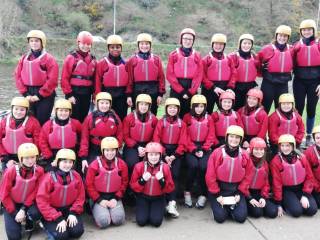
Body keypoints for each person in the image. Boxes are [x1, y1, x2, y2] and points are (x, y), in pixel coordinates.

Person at [206, 125, 253, 223]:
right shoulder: (217, 153)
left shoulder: (244, 155)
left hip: (236, 190)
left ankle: (231, 209)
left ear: (240, 140)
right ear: (227, 137)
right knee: (220, 218)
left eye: (237, 137)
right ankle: (221, 208)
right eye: (231, 136)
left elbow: (248, 175)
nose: (234, 140)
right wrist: (217, 194)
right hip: (219, 190)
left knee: (241, 218)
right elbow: (210, 176)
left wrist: (240, 192)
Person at [37, 149, 85, 239]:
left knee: (77, 232)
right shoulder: (48, 177)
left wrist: (73, 212)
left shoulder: (76, 176)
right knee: (62, 237)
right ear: (58, 162)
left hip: (69, 209)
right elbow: (42, 201)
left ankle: (66, 222)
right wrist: (57, 218)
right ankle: (44, 222)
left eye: (70, 162)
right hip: (53, 211)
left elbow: (80, 196)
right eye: (64, 161)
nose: (67, 165)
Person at [0, 143, 44, 240]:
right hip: (12, 204)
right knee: (14, 237)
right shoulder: (10, 171)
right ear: (20, 158)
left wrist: (23, 209)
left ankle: (29, 219)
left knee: (36, 213)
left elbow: (36, 192)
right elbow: (4, 195)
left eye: (33, 157)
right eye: (26, 158)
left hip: (28, 203)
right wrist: (15, 213)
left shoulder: (39, 171)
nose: (30, 161)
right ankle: (19, 219)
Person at [14, 30, 58, 125]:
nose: (34, 43)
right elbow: (17, 76)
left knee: (42, 121)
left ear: (42, 42)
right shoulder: (24, 58)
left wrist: (39, 96)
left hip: (45, 95)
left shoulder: (49, 59)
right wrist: (26, 94)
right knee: (29, 121)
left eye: (37, 41)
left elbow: (52, 80)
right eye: (32, 41)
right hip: (28, 93)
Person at [153, 98, 187, 218]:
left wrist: (174, 156)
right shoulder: (161, 122)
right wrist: (165, 155)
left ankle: (172, 202)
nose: (172, 110)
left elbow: (183, 142)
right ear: (166, 109)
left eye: (175, 108)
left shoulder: (181, 124)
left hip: (176, 153)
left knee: (175, 175)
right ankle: (162, 200)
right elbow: (157, 139)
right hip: (162, 152)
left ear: (178, 110)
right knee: (161, 174)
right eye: (170, 107)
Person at [270, 134, 317, 218]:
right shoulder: (276, 161)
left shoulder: (302, 158)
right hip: (287, 190)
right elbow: (276, 183)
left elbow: (309, 177)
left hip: (301, 188)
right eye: (282, 146)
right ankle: (287, 202)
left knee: (312, 210)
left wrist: (305, 195)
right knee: (297, 212)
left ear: (293, 146)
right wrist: (279, 203)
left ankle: (297, 201)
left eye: (288, 145)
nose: (285, 148)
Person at [86, 137, 128, 229]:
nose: (110, 153)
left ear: (116, 150)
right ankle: (94, 207)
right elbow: (89, 185)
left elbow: (124, 183)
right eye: (107, 150)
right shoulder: (94, 165)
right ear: (102, 150)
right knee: (104, 222)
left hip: (114, 197)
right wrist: (99, 200)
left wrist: (116, 198)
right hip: (99, 197)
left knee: (118, 219)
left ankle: (111, 210)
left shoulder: (122, 164)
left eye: (113, 150)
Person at [183, 94, 217, 209]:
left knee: (203, 167)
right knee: (193, 165)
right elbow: (185, 136)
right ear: (192, 106)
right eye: (196, 106)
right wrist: (193, 149)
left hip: (204, 147)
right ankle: (187, 191)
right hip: (190, 147)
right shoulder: (187, 117)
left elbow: (211, 135)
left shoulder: (209, 118)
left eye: (201, 106)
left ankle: (203, 193)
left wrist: (204, 149)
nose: (199, 109)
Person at [130, 142, 174, 227]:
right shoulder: (139, 166)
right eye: (151, 155)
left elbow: (170, 188)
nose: (154, 157)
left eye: (156, 155)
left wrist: (162, 181)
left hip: (158, 197)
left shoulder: (165, 167)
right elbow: (132, 185)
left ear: (160, 155)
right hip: (143, 197)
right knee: (141, 222)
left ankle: (161, 207)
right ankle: (146, 209)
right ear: (146, 155)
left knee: (156, 222)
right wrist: (142, 180)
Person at [79, 92, 123, 173]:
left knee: (119, 169)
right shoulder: (90, 118)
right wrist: (84, 157)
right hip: (95, 148)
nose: (104, 105)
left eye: (107, 103)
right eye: (102, 103)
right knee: (89, 169)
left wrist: (116, 149)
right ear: (97, 104)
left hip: (110, 149)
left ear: (110, 104)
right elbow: (84, 138)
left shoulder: (115, 118)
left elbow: (120, 135)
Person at [292, 19, 320, 146]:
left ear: (313, 31)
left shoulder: (318, 45)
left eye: (309, 29)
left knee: (311, 108)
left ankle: (309, 134)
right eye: (304, 30)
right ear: (301, 32)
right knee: (299, 107)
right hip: (299, 81)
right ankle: (297, 133)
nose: (307, 32)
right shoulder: (296, 45)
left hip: (315, 82)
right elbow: (288, 61)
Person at [166, 28, 203, 117]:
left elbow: (199, 75)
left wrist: (191, 91)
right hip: (176, 88)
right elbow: (170, 75)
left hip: (191, 87)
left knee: (190, 114)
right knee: (175, 113)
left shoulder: (197, 55)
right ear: (181, 40)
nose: (187, 41)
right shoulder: (173, 54)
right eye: (185, 39)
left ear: (193, 41)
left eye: (190, 39)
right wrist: (181, 91)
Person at [61, 31, 96, 123]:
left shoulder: (93, 59)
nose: (86, 46)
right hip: (74, 92)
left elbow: (95, 79)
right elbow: (64, 78)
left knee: (84, 117)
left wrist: (94, 95)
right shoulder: (71, 58)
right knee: (73, 117)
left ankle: (82, 136)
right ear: (78, 43)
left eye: (88, 44)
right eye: (83, 43)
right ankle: (73, 136)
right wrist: (69, 95)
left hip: (87, 93)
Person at [126, 33, 165, 115]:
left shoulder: (156, 59)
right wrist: (129, 95)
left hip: (153, 90)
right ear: (138, 45)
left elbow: (161, 77)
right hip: (137, 90)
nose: (144, 46)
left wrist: (160, 94)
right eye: (142, 44)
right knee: (137, 115)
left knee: (152, 114)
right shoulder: (132, 60)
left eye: (147, 44)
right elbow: (129, 79)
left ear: (150, 45)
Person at [39, 99, 82, 172]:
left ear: (70, 112)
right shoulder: (48, 125)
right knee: (51, 172)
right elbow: (42, 142)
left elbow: (82, 137)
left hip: (70, 153)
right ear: (56, 111)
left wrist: (78, 152)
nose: (63, 113)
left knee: (73, 172)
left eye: (66, 111)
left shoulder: (76, 124)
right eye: (61, 111)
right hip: (53, 154)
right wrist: (49, 156)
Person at [258, 25, 293, 113]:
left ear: (288, 37)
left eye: (285, 36)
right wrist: (261, 73)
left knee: (282, 109)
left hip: (283, 84)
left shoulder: (292, 49)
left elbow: (295, 62)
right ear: (276, 36)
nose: (282, 38)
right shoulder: (267, 49)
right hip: (268, 83)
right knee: (264, 109)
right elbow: (257, 62)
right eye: (280, 35)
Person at [0, 97, 41, 171]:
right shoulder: (3, 122)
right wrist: (6, 159)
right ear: (12, 109)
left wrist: (29, 159)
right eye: (16, 109)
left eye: (22, 110)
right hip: (7, 156)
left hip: (27, 156)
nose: (18, 112)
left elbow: (38, 142)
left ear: (27, 110)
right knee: (8, 175)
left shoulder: (34, 122)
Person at [95, 35, 129, 120]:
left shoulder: (126, 64)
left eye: (118, 47)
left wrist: (129, 96)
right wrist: (97, 96)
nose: (115, 49)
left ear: (121, 48)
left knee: (121, 118)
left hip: (122, 96)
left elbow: (129, 81)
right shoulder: (102, 63)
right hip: (107, 94)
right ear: (108, 48)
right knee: (106, 118)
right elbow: (98, 81)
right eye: (112, 47)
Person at [123, 94, 158, 174]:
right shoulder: (129, 118)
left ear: (149, 106)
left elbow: (155, 136)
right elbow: (125, 136)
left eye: (146, 104)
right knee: (132, 164)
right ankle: (130, 184)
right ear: (137, 105)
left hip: (148, 146)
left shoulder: (154, 119)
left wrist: (147, 148)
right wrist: (137, 147)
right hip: (132, 145)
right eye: (141, 104)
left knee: (148, 165)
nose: (143, 107)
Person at [202, 33, 237, 113]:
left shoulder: (229, 59)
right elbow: (202, 76)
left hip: (224, 88)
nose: (218, 46)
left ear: (224, 46)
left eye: (221, 44)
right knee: (207, 112)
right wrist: (213, 87)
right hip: (209, 89)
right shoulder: (206, 59)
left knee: (225, 112)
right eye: (216, 44)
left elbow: (234, 74)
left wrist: (230, 87)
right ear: (212, 44)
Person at [247, 138, 278, 218]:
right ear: (251, 149)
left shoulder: (264, 163)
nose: (259, 152)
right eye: (256, 149)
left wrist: (263, 197)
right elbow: (241, 183)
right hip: (247, 193)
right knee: (257, 213)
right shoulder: (246, 161)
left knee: (273, 212)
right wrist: (249, 198)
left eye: (261, 149)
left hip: (259, 193)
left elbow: (266, 183)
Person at [229, 34, 259, 110]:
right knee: (236, 109)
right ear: (240, 44)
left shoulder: (255, 57)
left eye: (249, 43)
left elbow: (260, 70)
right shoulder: (233, 56)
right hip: (236, 87)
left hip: (250, 87)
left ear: (252, 45)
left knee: (248, 109)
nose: (247, 45)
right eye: (244, 43)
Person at [304, 125, 320, 207]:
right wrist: (317, 187)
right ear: (314, 139)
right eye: (318, 138)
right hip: (316, 187)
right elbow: (309, 174)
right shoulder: (309, 152)